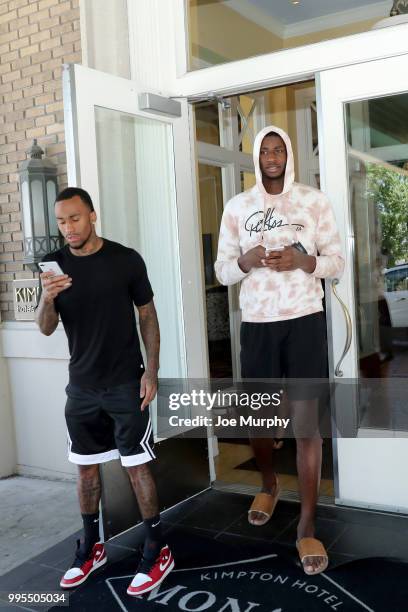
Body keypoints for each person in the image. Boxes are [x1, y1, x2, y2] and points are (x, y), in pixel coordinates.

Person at [215, 125, 344, 575]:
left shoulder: (313, 201)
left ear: (289, 155)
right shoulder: (238, 207)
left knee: (307, 423)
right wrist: (245, 261)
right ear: (256, 157)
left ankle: (307, 522)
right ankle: (269, 483)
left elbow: (336, 262)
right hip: (258, 326)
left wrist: (302, 261)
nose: (272, 157)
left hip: (305, 321)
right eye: (265, 150)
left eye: (278, 150)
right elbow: (222, 271)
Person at [35, 187, 174, 596]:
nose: (68, 228)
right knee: (85, 468)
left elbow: (147, 315)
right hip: (81, 386)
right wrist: (47, 298)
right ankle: (91, 546)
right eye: (61, 221)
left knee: (136, 466)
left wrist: (152, 371)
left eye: (75, 218)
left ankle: (157, 548)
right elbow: (45, 327)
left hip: (125, 383)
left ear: (92, 216)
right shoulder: (53, 267)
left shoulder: (125, 259)